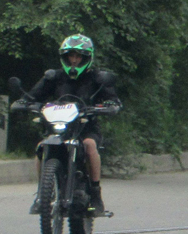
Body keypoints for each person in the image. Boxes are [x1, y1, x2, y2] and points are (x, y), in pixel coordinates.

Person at [23, 34, 121, 215]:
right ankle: (43, 194)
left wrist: (110, 105)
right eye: (71, 56)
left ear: (86, 58)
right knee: (41, 147)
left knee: (89, 145)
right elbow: (32, 96)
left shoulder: (97, 78)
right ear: (65, 57)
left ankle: (95, 194)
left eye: (78, 56)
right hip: (60, 129)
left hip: (86, 129)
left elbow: (113, 99)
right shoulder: (54, 77)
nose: (74, 60)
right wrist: (24, 102)